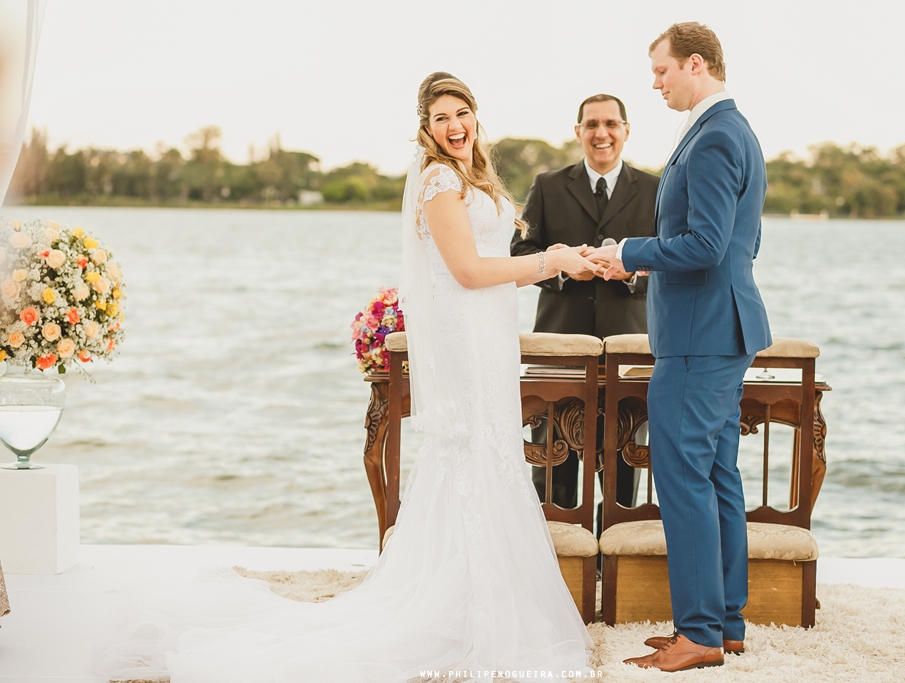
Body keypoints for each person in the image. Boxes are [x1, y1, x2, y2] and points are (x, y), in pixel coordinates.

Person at [93, 72, 597, 682]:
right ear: (425, 129)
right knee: (472, 456)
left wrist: (570, 259)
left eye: (461, 112)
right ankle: (467, 614)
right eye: (440, 118)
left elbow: (492, 259)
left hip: (489, 334)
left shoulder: (474, 176)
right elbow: (465, 270)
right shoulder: (438, 178)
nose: (453, 126)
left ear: (475, 116)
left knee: (489, 457)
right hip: (466, 336)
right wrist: (551, 261)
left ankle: (474, 605)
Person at [587, 22, 772, 672]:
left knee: (685, 478)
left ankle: (698, 633)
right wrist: (634, 259)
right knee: (717, 474)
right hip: (717, 330)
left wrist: (627, 253)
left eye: (662, 72)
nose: (657, 83)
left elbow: (708, 245)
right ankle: (724, 623)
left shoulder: (718, 135)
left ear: (696, 64)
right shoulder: (726, 129)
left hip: (699, 337)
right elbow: (730, 245)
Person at [511, 94, 659, 515]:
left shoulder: (654, 189)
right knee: (553, 461)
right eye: (591, 124)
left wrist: (631, 271)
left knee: (626, 461)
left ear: (626, 130)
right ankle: (558, 553)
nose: (601, 133)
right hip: (559, 348)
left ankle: (615, 550)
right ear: (578, 132)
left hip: (630, 349)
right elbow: (520, 253)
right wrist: (558, 268)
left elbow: (671, 259)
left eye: (611, 124)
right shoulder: (547, 185)